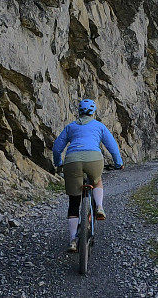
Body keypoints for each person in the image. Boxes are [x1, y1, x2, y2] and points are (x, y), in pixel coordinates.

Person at [52, 98, 123, 252]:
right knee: (97, 181)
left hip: (72, 161)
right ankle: (99, 206)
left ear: (79, 111)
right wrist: (118, 163)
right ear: (93, 112)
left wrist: (58, 163)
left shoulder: (70, 127)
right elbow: (112, 147)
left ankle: (72, 240)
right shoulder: (99, 126)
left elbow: (57, 148)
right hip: (94, 159)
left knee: (74, 201)